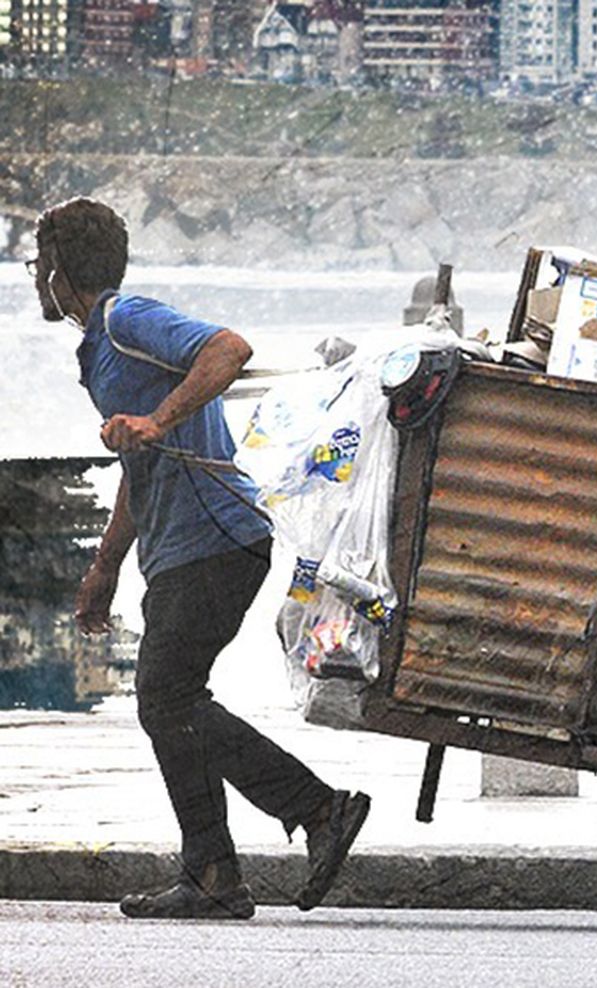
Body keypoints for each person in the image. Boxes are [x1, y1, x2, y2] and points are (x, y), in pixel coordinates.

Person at [29, 197, 370, 920]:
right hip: (180, 547)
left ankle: (316, 809)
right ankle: (213, 874)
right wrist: (106, 565)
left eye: (39, 264)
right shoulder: (101, 348)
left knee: (167, 698)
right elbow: (140, 463)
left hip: (217, 536)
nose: (35, 276)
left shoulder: (124, 318)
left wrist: (156, 418)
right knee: (172, 704)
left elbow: (229, 349)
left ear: (62, 273)